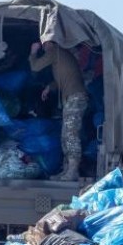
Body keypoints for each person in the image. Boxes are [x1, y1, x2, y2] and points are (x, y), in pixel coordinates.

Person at [29, 40, 88, 181]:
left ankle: (72, 171)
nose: (44, 47)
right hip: (73, 97)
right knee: (65, 135)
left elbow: (36, 67)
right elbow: (64, 78)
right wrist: (50, 87)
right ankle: (67, 169)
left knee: (70, 135)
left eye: (44, 44)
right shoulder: (62, 54)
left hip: (75, 97)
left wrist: (33, 52)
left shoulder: (55, 51)